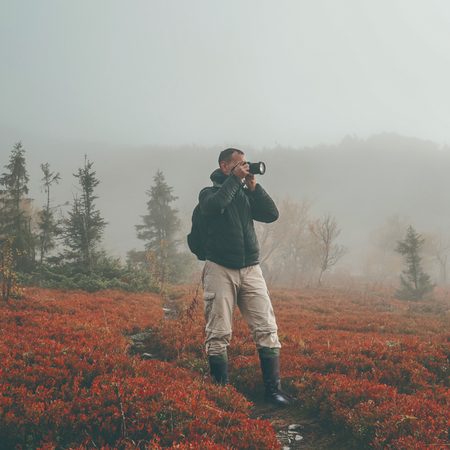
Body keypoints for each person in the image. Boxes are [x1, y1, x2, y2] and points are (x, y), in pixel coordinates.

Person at [198, 147, 290, 406]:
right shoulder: (209, 193)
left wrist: (253, 186)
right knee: (218, 332)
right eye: (239, 165)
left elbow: (272, 214)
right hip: (219, 269)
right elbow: (216, 206)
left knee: (267, 328)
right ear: (224, 166)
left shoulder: (244, 193)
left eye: (246, 164)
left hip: (251, 268)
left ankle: (273, 392)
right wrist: (235, 181)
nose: (244, 167)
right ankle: (221, 394)